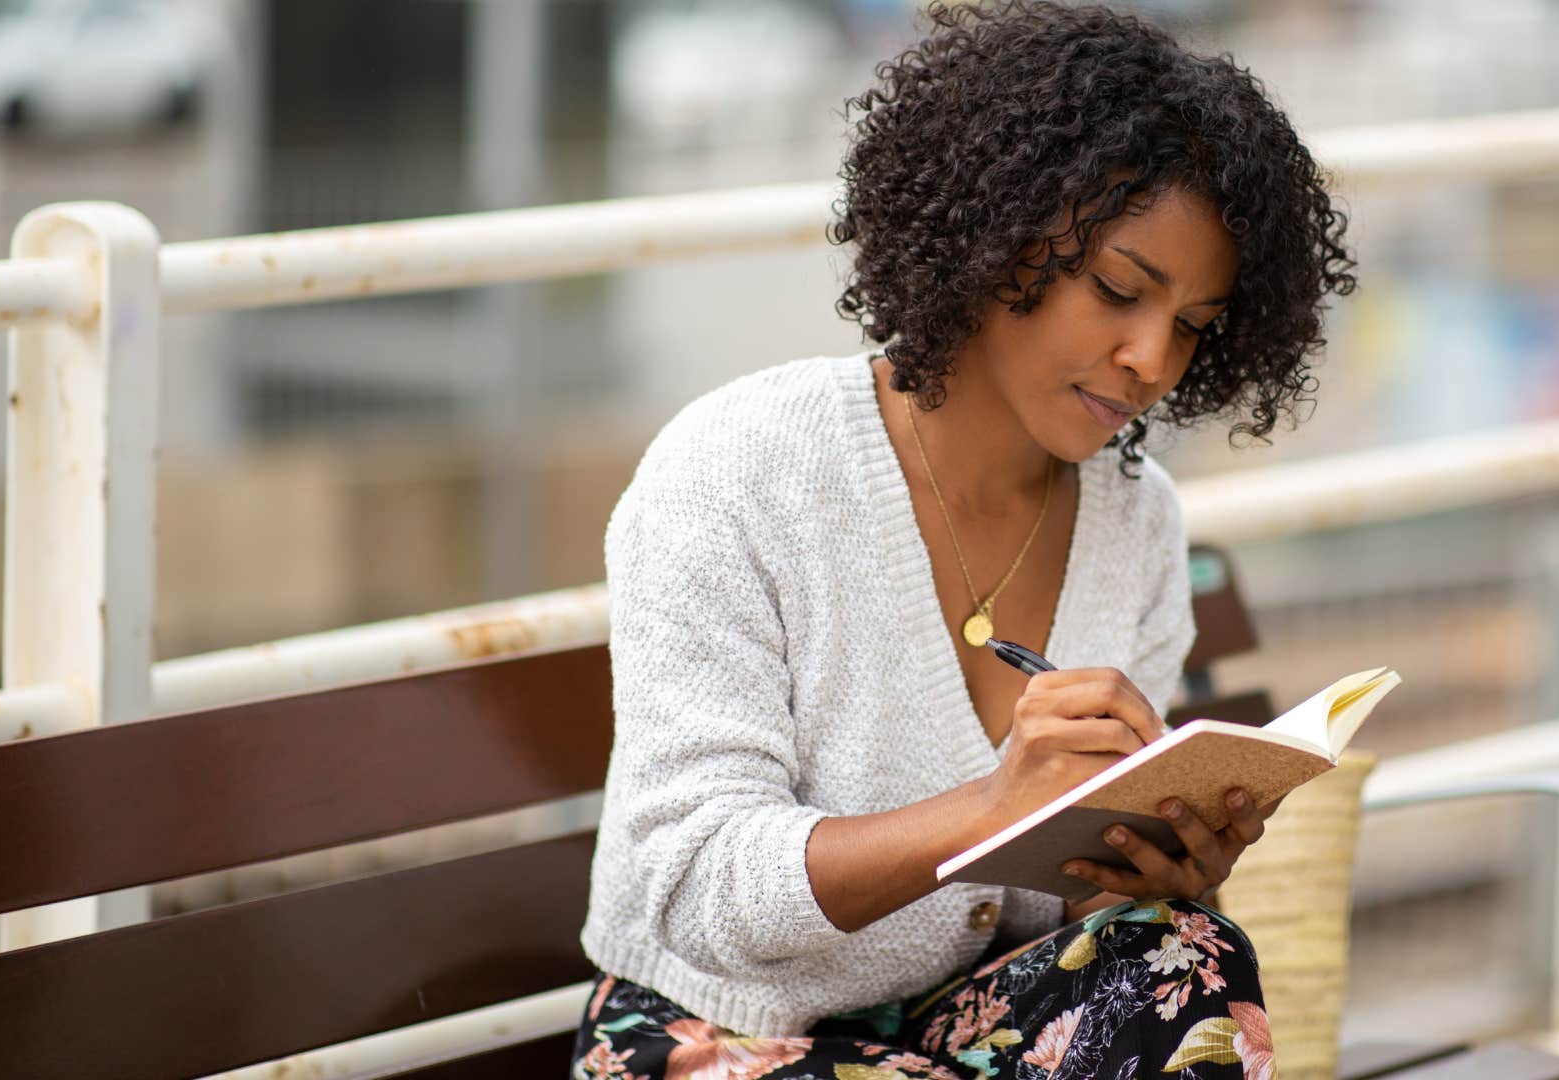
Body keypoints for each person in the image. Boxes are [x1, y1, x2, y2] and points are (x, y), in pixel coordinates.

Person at [573, 2, 1354, 1077]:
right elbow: (699, 891)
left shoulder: (1136, 520)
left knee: (1190, 960)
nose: (1150, 360)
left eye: (1192, 326)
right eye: (1119, 289)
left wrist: (1158, 863)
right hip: (727, 1035)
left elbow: (1059, 921)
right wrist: (990, 807)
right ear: (996, 231)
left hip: (970, 1026)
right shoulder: (738, 470)